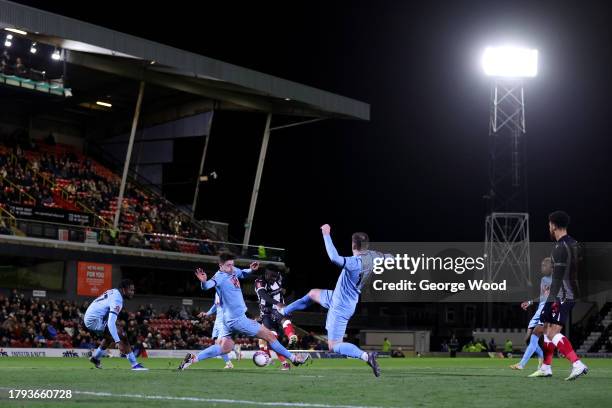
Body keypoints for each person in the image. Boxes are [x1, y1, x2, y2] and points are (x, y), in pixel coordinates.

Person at [275, 225, 382, 377]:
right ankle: (284, 311)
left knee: (334, 345)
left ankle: (366, 356)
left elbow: (334, 258)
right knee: (312, 293)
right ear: (367, 245)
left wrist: (326, 234)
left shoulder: (354, 263)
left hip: (340, 306)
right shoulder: (373, 257)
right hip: (340, 297)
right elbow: (388, 258)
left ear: (353, 245)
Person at [177, 253, 309, 370]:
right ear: (220, 265)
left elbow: (242, 273)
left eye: (232, 265)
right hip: (237, 319)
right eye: (228, 265)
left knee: (225, 347)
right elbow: (208, 285)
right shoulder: (219, 277)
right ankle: (294, 359)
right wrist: (204, 282)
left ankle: (193, 359)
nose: (231, 268)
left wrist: (250, 270)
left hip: (227, 319)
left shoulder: (232, 270)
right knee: (270, 336)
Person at [529, 211, 588, 380]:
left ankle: (577, 364)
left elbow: (557, 278)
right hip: (572, 292)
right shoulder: (575, 244)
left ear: (554, 225)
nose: (549, 227)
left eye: (549, 224)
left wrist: (548, 304)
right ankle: (546, 367)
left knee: (551, 332)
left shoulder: (559, 247)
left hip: (562, 295)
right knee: (547, 329)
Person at [83, 279, 147, 370]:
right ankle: (135, 364)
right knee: (122, 335)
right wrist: (118, 342)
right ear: (124, 289)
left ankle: (95, 358)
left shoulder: (114, 292)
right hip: (94, 320)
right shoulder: (118, 299)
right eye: (131, 290)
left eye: (133, 290)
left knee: (109, 337)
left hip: (91, 317)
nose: (133, 292)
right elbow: (110, 322)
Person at [510, 257, 553, 370]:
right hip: (540, 309)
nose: (542, 267)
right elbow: (543, 296)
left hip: (547, 309)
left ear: (551, 267)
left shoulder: (556, 280)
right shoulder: (544, 280)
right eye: (541, 265)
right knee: (530, 336)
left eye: (544, 265)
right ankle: (541, 358)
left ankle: (524, 363)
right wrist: (530, 302)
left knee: (536, 335)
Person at [254, 263, 298, 371]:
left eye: (275, 276)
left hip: (275, 310)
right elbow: (263, 295)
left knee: (271, 338)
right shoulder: (259, 282)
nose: (273, 278)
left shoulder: (278, 277)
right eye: (271, 276)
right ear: (266, 273)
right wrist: (277, 302)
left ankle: (291, 337)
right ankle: (271, 358)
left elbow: (284, 291)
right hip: (267, 311)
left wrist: (283, 297)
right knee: (269, 339)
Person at [199, 294, 233, 369]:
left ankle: (234, 351)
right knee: (217, 343)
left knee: (219, 344)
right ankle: (229, 362)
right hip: (217, 322)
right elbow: (215, 305)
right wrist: (207, 313)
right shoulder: (217, 293)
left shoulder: (226, 292)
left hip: (224, 323)